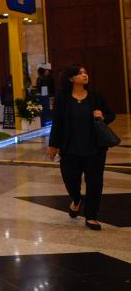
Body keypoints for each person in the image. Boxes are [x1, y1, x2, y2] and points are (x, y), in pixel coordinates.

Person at [47, 64, 115, 230]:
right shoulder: (62, 98)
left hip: (95, 148)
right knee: (70, 179)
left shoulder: (96, 97)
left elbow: (111, 115)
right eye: (79, 73)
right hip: (70, 148)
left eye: (85, 72)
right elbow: (57, 122)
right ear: (71, 78)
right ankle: (76, 199)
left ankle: (91, 216)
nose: (84, 75)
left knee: (95, 182)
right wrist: (53, 145)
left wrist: (103, 116)